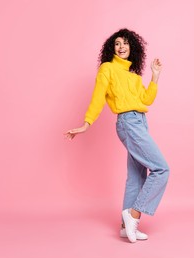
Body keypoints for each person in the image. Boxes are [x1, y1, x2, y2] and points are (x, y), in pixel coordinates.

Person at [65, 28, 169, 243]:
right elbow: (98, 96)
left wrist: (155, 77)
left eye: (125, 44)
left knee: (137, 176)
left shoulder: (132, 75)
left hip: (140, 121)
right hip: (128, 122)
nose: (121, 47)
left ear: (133, 47)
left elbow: (146, 100)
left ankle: (125, 227)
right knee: (161, 168)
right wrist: (87, 123)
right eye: (117, 44)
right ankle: (133, 214)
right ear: (112, 48)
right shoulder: (108, 68)